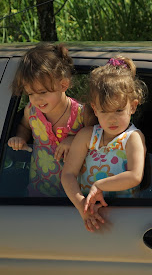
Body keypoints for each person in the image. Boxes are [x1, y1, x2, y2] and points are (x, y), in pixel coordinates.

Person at [61, 56, 147, 232]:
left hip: (123, 218)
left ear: (133, 106)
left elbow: (135, 176)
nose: (112, 118)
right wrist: (82, 205)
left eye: (118, 110)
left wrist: (99, 185)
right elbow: (68, 174)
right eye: (104, 111)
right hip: (89, 215)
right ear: (94, 108)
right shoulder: (87, 136)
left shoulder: (133, 138)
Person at [8, 42, 94, 197]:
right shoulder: (31, 111)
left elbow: (97, 135)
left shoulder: (82, 112)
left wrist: (75, 140)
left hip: (77, 193)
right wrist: (20, 138)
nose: (37, 99)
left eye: (42, 92)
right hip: (40, 188)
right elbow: (24, 126)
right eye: (31, 94)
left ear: (63, 84)